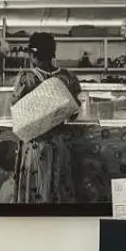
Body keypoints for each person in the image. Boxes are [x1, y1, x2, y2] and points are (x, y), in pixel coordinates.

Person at [10, 31, 78, 205]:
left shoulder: (27, 78)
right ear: (52, 53)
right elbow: (75, 111)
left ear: (33, 54)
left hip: (35, 145)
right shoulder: (67, 77)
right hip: (60, 143)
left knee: (36, 191)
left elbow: (15, 108)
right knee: (58, 189)